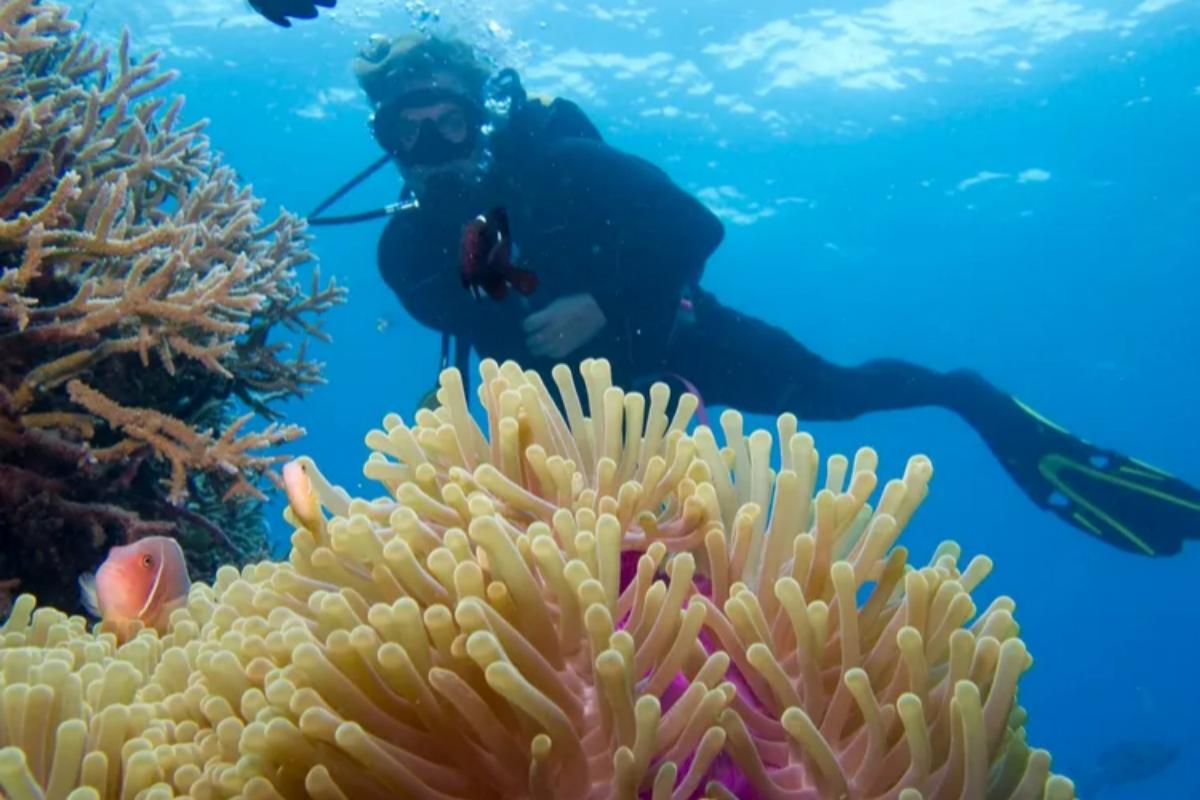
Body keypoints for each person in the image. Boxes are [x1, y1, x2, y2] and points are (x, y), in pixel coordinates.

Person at [330, 33, 1200, 558]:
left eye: (448, 118)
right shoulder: (405, 250)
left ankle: (975, 401)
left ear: (478, 116)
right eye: (403, 126)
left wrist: (605, 305)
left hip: (681, 338)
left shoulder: (563, 166)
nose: (430, 140)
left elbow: (695, 230)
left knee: (840, 396)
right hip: (573, 425)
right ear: (383, 139)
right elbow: (488, 343)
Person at [248, 0, 334, 27]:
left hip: (302, 10)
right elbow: (285, 23)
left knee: (330, 3)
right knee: (330, 3)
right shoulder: (256, 4)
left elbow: (286, 24)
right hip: (301, 9)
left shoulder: (256, 4)